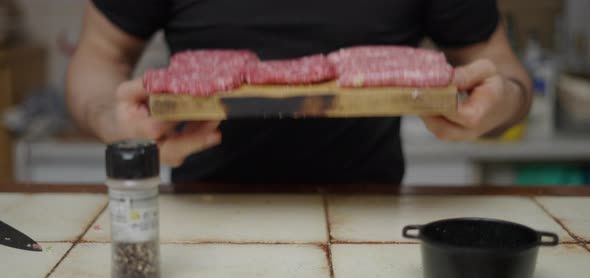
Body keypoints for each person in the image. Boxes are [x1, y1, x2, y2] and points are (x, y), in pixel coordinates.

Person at [66, 0, 532, 184]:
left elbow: (505, 71)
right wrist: (115, 122)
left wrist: (500, 103)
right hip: (203, 220)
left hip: (371, 219)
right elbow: (99, 56)